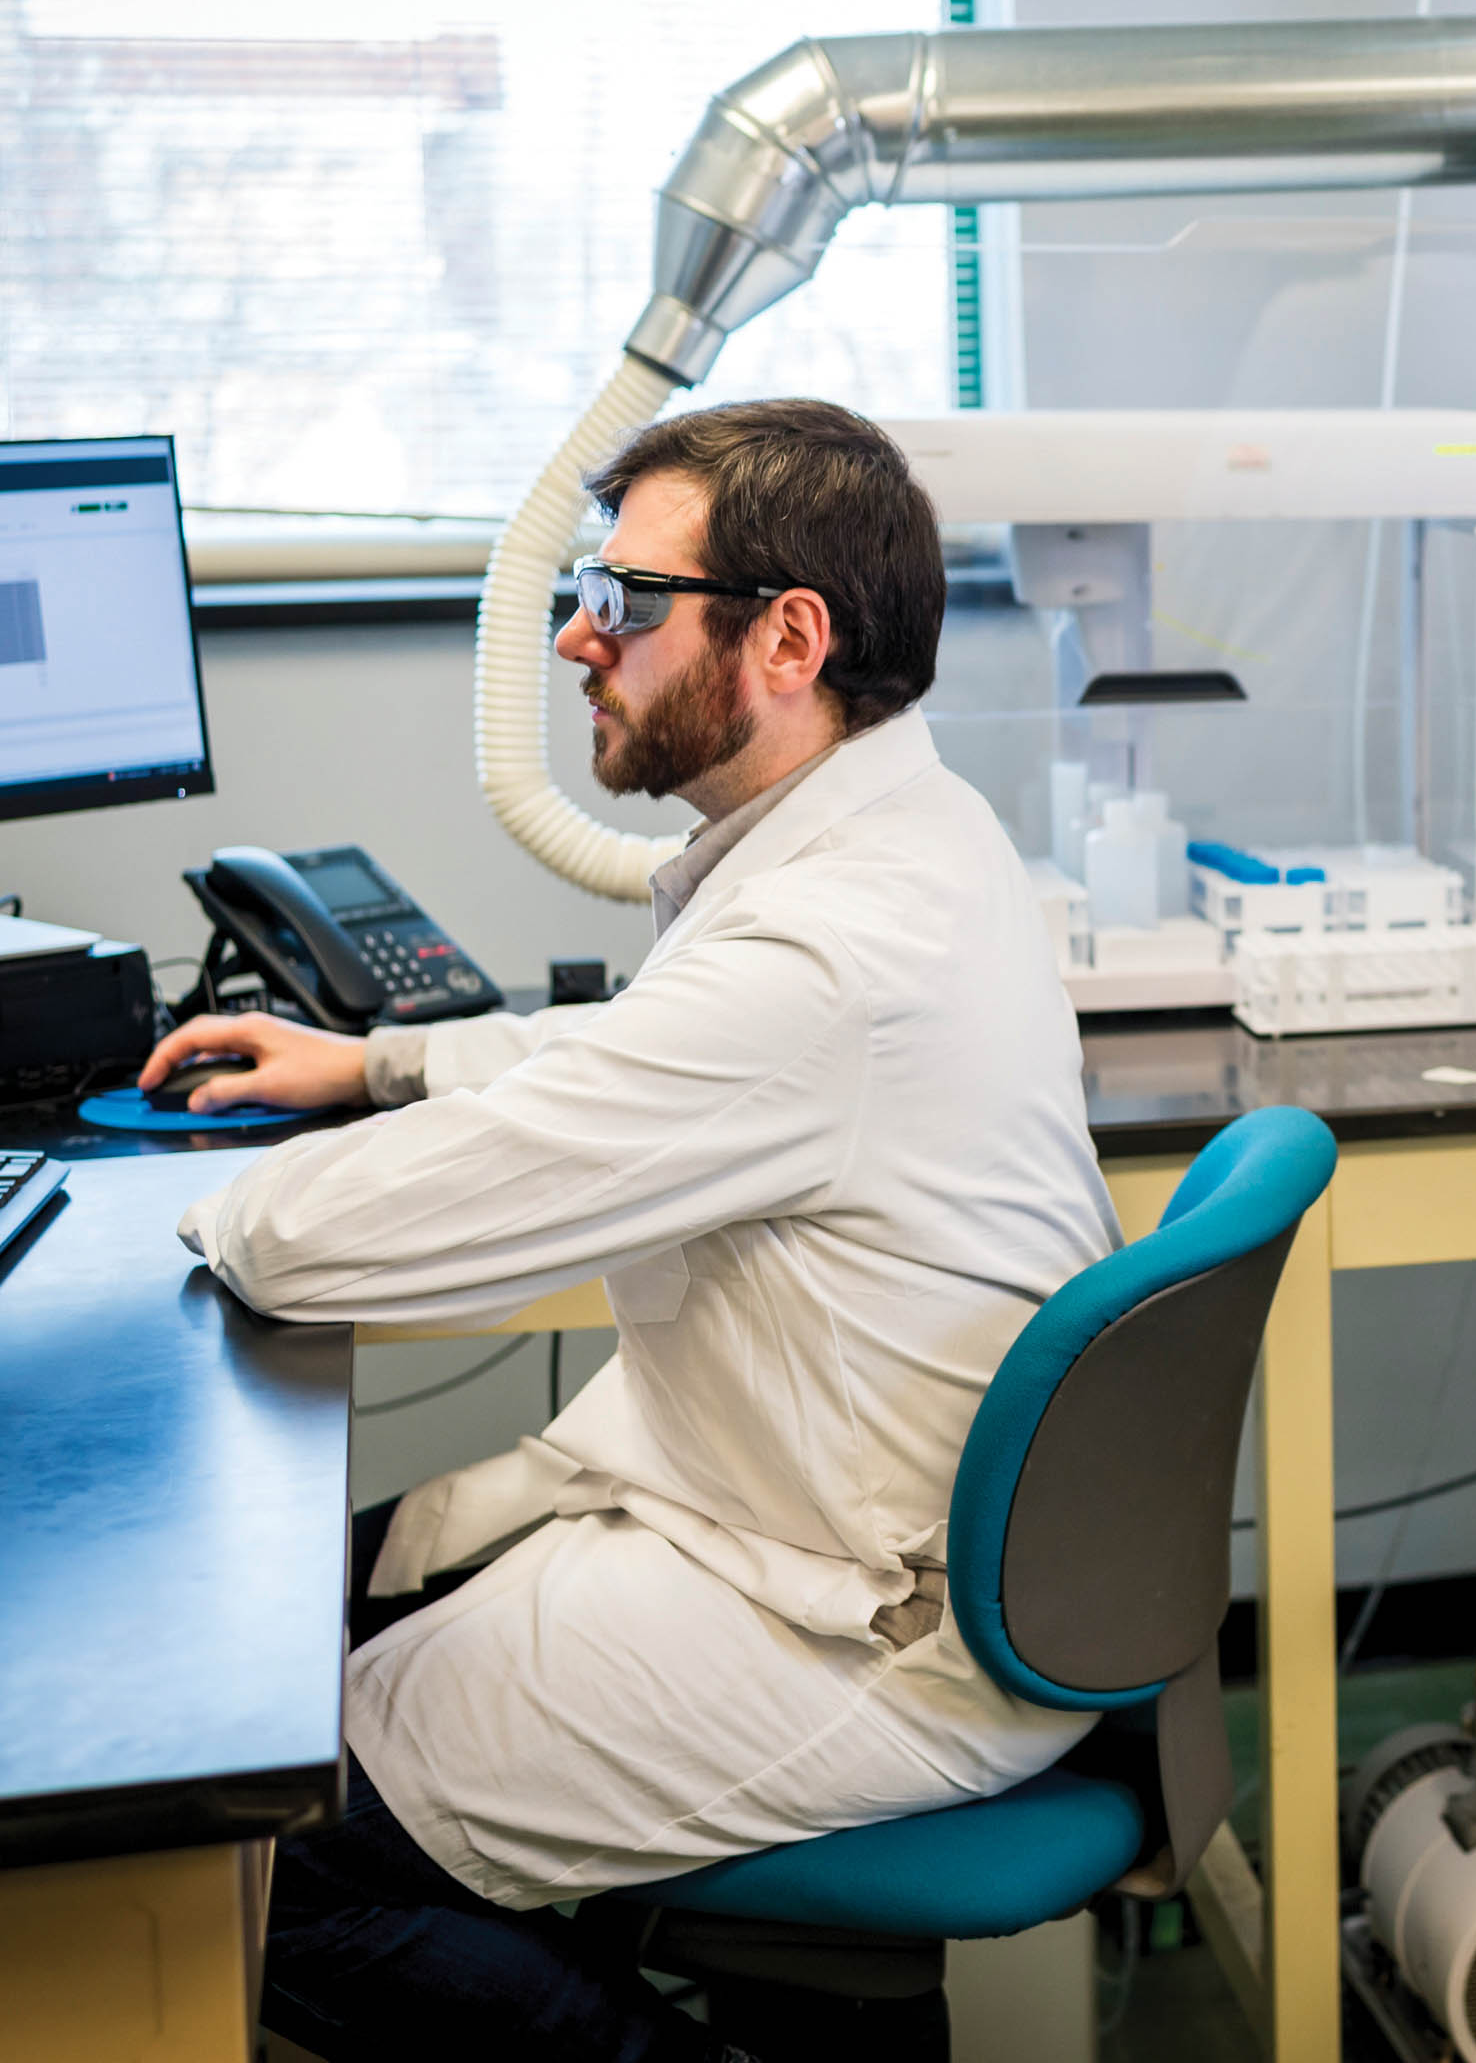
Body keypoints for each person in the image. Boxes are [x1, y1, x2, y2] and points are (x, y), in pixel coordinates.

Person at [140, 399, 1119, 2062]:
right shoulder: (902, 834)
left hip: (858, 1624)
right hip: (853, 1533)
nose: (578, 640)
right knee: (306, 1621)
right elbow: (642, 1058)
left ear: (788, 638)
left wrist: (164, 1207)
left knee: (241, 1843)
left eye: (626, 601)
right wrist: (383, 1057)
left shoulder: (822, 953)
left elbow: (318, 1250)